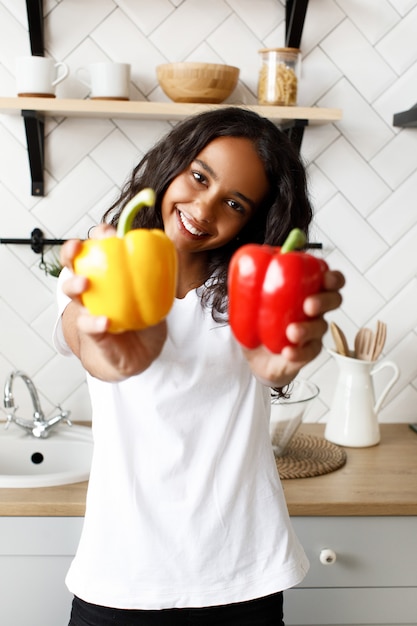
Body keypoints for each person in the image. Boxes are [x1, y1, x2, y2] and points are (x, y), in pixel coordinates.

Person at [54, 107, 345, 626]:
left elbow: (273, 364)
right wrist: (113, 352)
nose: (203, 208)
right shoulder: (103, 264)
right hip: (121, 579)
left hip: (243, 577)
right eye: (199, 177)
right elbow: (90, 343)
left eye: (233, 202)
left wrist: (280, 365)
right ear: (173, 164)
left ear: (252, 220)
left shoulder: (255, 289)